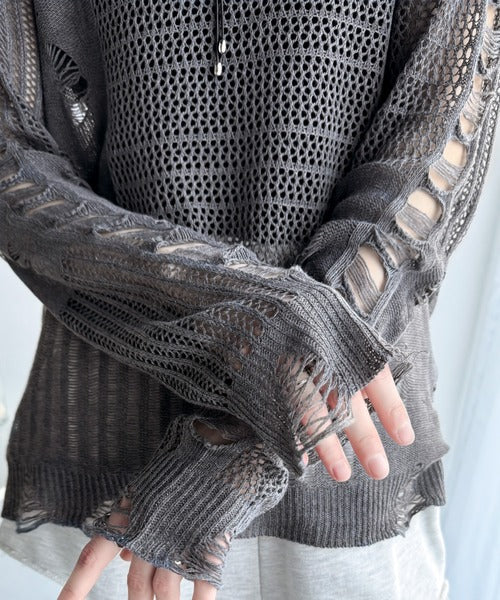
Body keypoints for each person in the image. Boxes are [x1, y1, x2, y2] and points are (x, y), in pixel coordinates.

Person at [0, 0, 498, 598]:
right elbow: (13, 166)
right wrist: (260, 327)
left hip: (346, 450)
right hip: (120, 449)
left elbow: (441, 136)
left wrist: (241, 442)